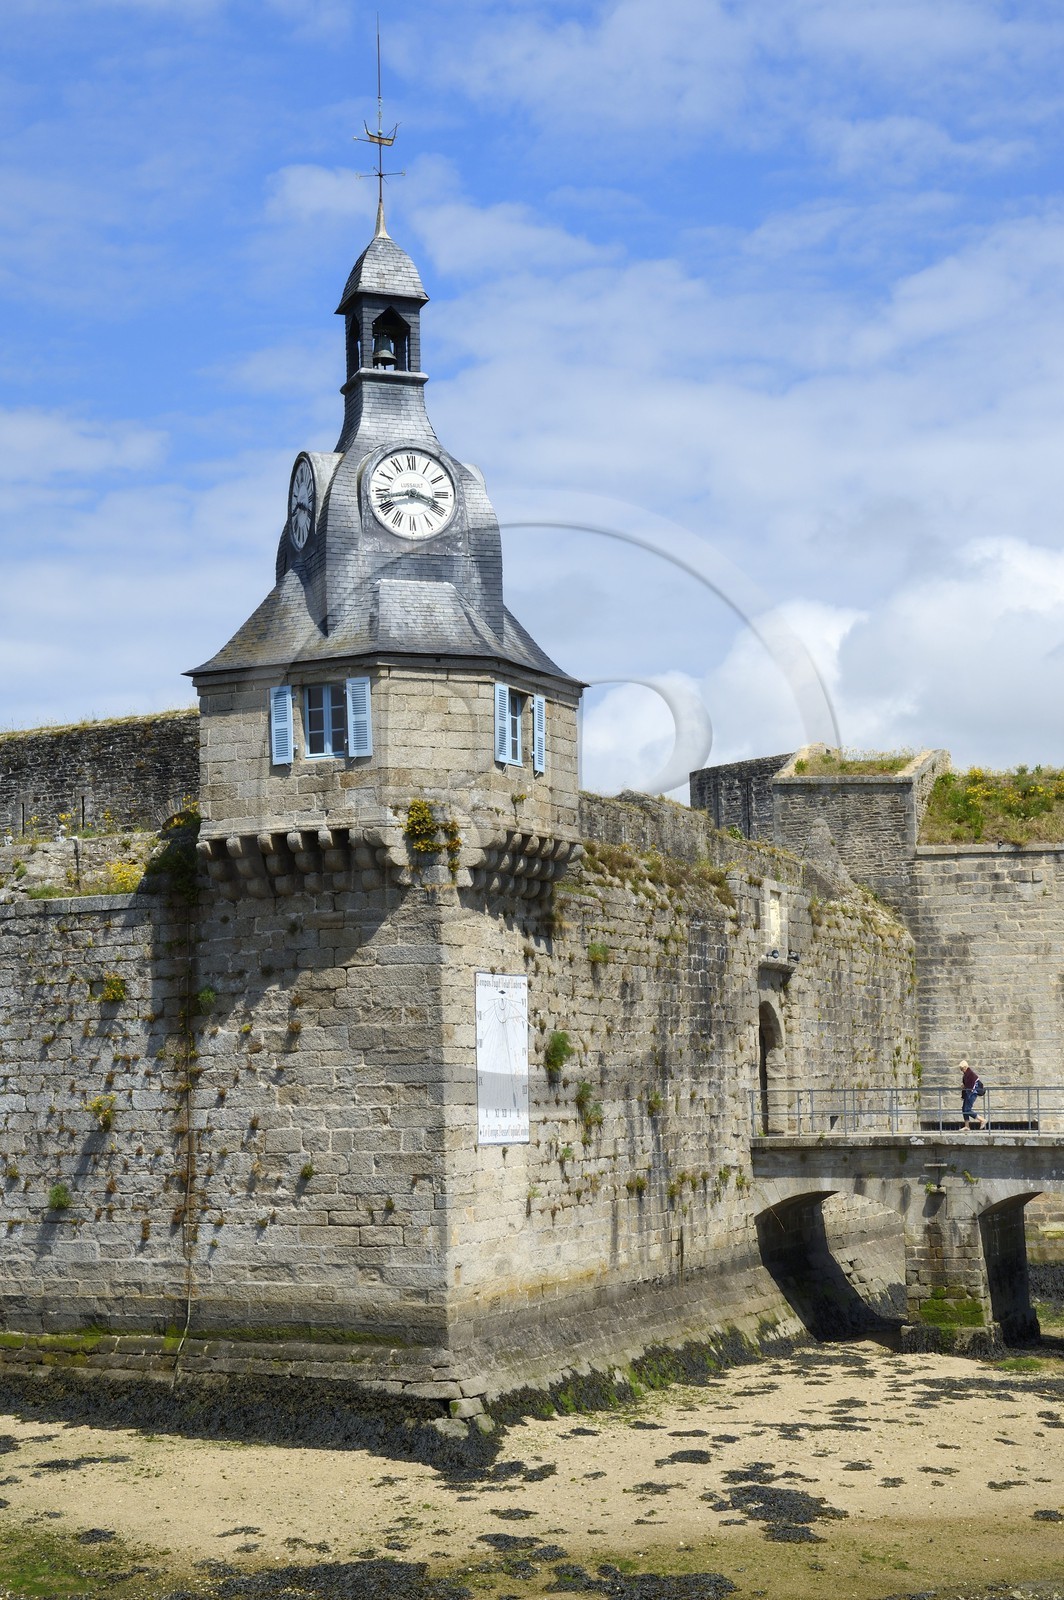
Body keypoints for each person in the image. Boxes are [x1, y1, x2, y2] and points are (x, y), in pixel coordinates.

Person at [960, 1059, 986, 1130]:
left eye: (963, 1069)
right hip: (968, 1093)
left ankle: (982, 1120)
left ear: (966, 1067)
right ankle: (967, 1126)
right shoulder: (966, 1075)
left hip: (972, 1094)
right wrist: (963, 1094)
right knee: (964, 1109)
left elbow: (972, 1084)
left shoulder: (971, 1074)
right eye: (961, 1069)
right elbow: (966, 1085)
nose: (962, 1070)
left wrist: (967, 1089)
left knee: (967, 1109)